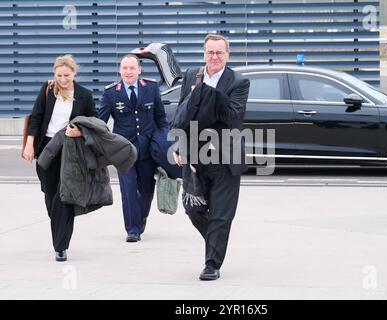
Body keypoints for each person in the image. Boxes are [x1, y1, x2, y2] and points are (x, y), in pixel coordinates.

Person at [173, 34, 250, 280]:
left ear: (227, 55)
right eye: (210, 53)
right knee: (191, 208)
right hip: (195, 155)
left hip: (225, 157)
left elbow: (233, 117)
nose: (214, 57)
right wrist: (177, 144)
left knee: (220, 214)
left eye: (219, 53)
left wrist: (207, 92)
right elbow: (182, 112)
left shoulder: (238, 82)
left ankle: (212, 264)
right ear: (204, 53)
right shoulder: (191, 75)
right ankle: (217, 239)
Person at [22, 54, 98, 262]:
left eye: (67, 75)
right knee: (50, 195)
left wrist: (80, 132)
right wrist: (30, 144)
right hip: (47, 148)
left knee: (64, 196)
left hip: (71, 149)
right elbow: (36, 117)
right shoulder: (47, 90)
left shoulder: (84, 95)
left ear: (74, 73)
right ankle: (59, 226)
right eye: (59, 75)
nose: (63, 79)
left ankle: (61, 246)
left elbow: (94, 122)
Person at [99, 54, 178, 242]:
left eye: (132, 68)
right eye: (124, 68)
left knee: (147, 187)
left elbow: (160, 118)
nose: (128, 72)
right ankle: (132, 229)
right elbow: (100, 121)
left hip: (147, 148)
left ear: (139, 70)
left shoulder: (150, 88)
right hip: (123, 150)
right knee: (128, 189)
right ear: (120, 70)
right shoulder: (110, 93)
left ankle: (141, 217)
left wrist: (163, 141)